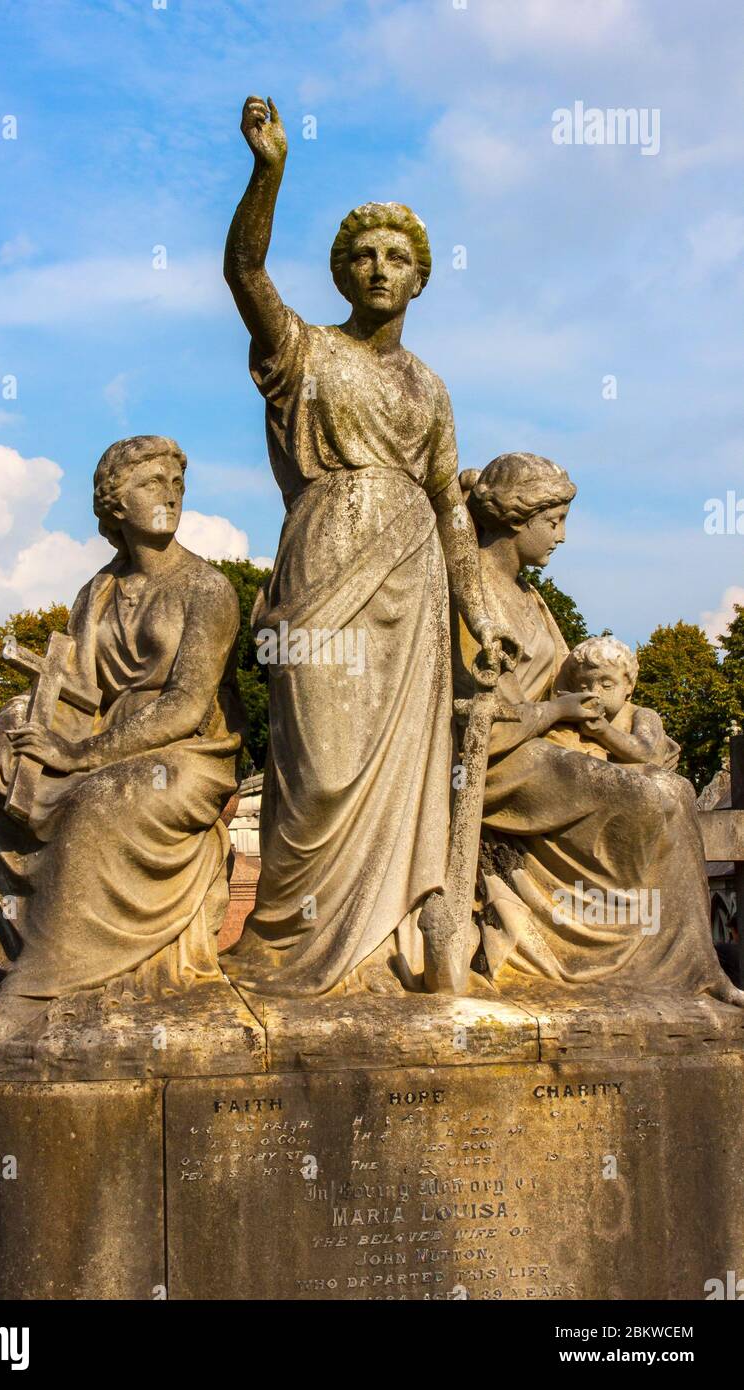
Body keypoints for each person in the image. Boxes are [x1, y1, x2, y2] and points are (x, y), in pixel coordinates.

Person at [222, 95, 516, 996]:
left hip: (414, 587)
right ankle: (291, 949)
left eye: (399, 258)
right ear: (343, 273)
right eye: (363, 255)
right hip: (324, 567)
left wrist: (480, 611)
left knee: (405, 778)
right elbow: (245, 273)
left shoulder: (429, 388)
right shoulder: (304, 351)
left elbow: (450, 505)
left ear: (421, 279)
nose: (380, 268)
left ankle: (384, 951)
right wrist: (268, 173)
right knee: (316, 772)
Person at [0, 435, 244, 1042]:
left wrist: (76, 755)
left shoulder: (207, 590)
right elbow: (74, 692)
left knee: (98, 801)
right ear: (115, 506)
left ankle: (36, 983)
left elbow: (188, 706)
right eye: (151, 484)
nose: (169, 495)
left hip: (185, 755)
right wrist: (24, 723)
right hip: (104, 741)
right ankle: (16, 951)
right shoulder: (99, 592)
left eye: (177, 483)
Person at [455, 452, 743, 1003]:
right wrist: (558, 714)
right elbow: (477, 718)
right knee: (657, 797)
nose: (562, 536)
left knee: (673, 790)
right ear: (518, 518)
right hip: (496, 764)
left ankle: (690, 967)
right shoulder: (476, 598)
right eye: (554, 521)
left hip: (542, 750)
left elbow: (576, 690)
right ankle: (674, 967)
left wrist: (627, 726)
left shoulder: (533, 601)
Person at [549, 635, 680, 770]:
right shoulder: (573, 722)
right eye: (583, 687)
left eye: (606, 685)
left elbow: (648, 754)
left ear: (629, 686)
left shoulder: (643, 715)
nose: (594, 692)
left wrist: (604, 732)